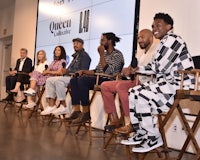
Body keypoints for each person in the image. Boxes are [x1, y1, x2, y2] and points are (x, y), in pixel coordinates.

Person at [121, 13, 194, 153]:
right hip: (167, 83)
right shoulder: (163, 42)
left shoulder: (174, 40)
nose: (154, 29)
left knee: (141, 94)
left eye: (158, 25)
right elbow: (155, 67)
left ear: (169, 26)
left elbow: (159, 67)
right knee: (133, 91)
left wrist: (140, 69)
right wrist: (138, 69)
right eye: (153, 26)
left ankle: (154, 137)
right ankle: (142, 132)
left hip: (179, 83)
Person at [101, 29, 158, 133]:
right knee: (105, 85)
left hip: (147, 84)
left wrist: (134, 71)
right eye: (138, 38)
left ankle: (132, 122)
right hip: (135, 81)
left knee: (121, 87)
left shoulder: (157, 51)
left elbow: (154, 70)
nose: (140, 40)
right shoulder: (141, 54)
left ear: (151, 38)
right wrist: (127, 70)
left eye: (142, 37)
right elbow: (134, 67)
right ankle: (115, 119)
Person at [67, 32, 124, 124]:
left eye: (103, 40)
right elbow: (97, 70)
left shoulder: (117, 55)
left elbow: (108, 71)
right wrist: (83, 71)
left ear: (109, 41)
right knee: (74, 80)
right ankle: (77, 110)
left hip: (108, 80)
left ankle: (85, 112)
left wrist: (101, 55)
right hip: (99, 78)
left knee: (83, 80)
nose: (100, 43)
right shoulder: (104, 55)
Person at [40, 38, 91, 115]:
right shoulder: (76, 56)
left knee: (58, 81)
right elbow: (70, 69)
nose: (75, 45)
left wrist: (68, 72)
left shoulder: (84, 56)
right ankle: (51, 105)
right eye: (74, 44)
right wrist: (65, 71)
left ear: (82, 45)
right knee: (49, 80)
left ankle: (63, 105)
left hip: (75, 78)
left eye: (77, 43)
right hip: (68, 76)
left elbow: (82, 71)